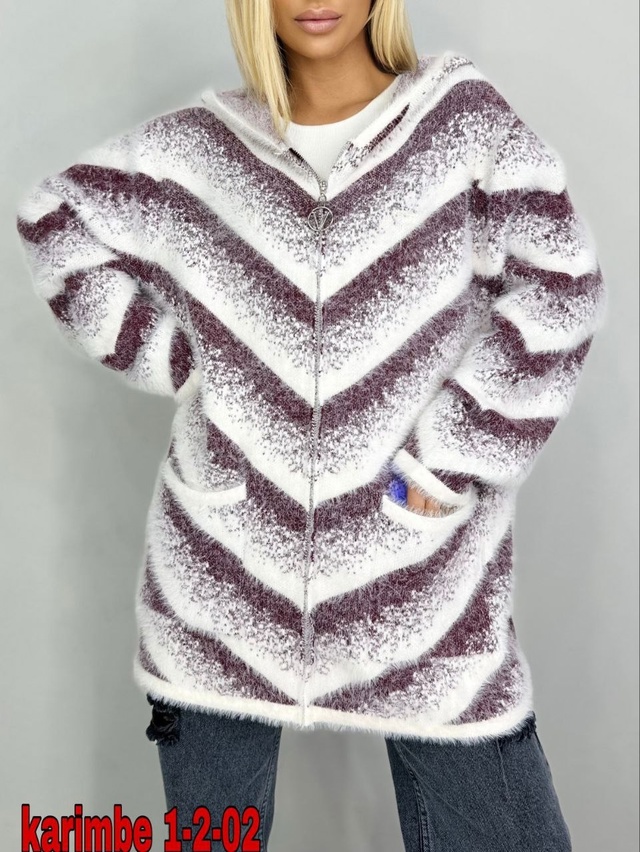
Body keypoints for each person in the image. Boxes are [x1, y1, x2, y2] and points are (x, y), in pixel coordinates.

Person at [15, 0, 607, 849]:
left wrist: (447, 463)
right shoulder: (200, 151)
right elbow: (56, 221)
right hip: (220, 592)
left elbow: (560, 290)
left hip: (422, 587)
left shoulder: (462, 128)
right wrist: (175, 357)